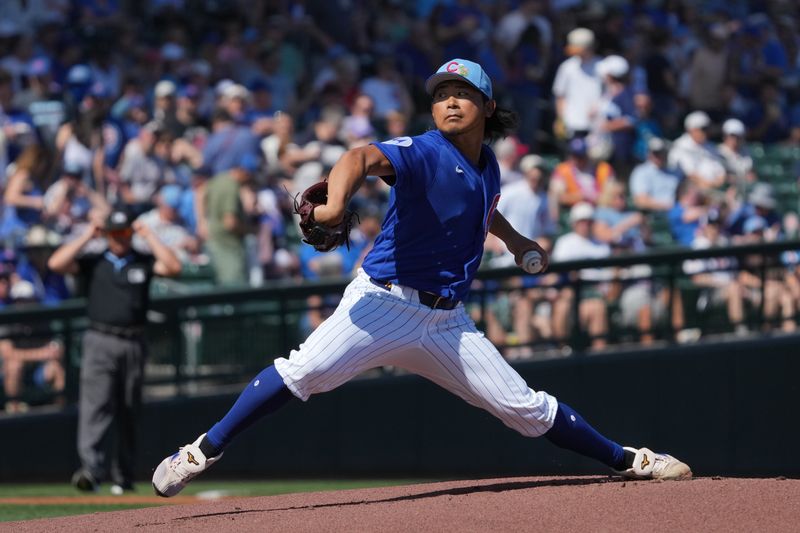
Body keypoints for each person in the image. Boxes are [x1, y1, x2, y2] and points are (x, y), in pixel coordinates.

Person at [151, 59, 691, 498]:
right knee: (302, 372)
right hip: (381, 305)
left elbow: (482, 207)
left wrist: (515, 240)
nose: (449, 101)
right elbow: (361, 156)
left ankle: (628, 460)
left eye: (461, 92)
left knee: (523, 407)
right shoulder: (423, 151)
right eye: (440, 94)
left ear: (487, 105)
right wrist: (338, 200)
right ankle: (202, 450)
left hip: (447, 322)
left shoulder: (488, 165)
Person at [47, 207, 182, 494]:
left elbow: (173, 267)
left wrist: (149, 234)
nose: (120, 239)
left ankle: (124, 475)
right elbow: (56, 263)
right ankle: (91, 472)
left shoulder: (142, 260)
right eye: (115, 233)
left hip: (133, 340)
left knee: (129, 409)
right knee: (95, 407)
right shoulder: (95, 261)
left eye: (124, 233)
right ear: (107, 234)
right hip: (100, 338)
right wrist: (87, 234)